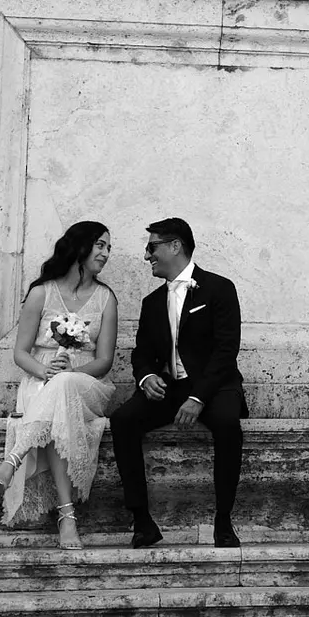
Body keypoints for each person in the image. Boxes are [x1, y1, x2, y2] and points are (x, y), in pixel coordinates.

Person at [0, 221, 119, 550]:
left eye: (108, 248)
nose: (105, 253)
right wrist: (45, 371)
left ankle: (11, 461)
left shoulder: (105, 298)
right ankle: (67, 517)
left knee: (66, 385)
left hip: (88, 383)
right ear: (80, 247)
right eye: (100, 245)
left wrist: (72, 369)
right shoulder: (41, 292)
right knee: (57, 400)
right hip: (40, 380)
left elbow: (105, 361)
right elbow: (20, 353)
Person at [109, 217, 244, 548]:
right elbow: (141, 354)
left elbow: (226, 351)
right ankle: (142, 521)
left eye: (151, 247)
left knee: (228, 424)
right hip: (170, 389)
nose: (147, 256)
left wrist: (198, 398)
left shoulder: (219, 288)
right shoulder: (151, 303)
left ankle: (224, 521)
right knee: (122, 421)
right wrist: (147, 377)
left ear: (175, 246)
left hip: (215, 386)